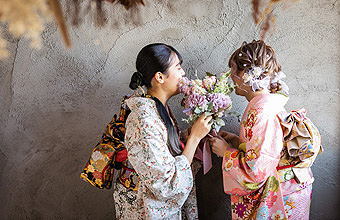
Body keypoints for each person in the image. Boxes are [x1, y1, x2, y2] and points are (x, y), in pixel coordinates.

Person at [210, 40, 320, 219]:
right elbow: (266, 149)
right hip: (289, 190)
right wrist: (237, 142)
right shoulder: (264, 104)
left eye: (233, 69)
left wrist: (226, 153)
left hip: (284, 197)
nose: (230, 76)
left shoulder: (262, 111)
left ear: (246, 75)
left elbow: (258, 169)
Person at [113, 43, 212, 220]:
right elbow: (166, 185)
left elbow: (162, 150)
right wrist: (195, 138)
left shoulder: (157, 108)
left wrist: (191, 133)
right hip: (143, 208)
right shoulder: (143, 119)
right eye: (178, 67)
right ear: (160, 77)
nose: (183, 73)